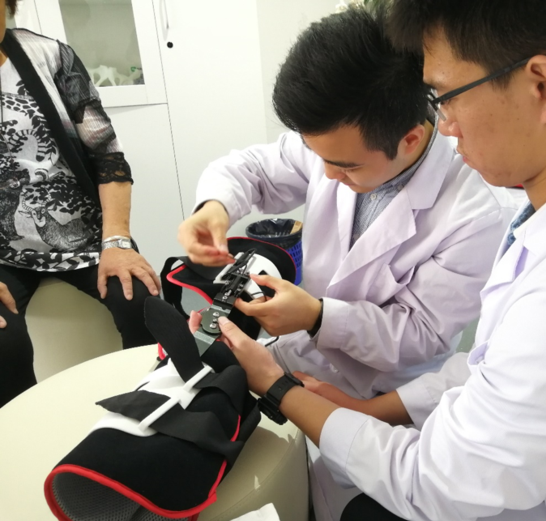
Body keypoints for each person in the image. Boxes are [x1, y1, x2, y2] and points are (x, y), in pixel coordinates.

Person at [190, 0, 546, 521]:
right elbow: (488, 364)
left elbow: (434, 482)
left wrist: (278, 384)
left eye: (445, 96)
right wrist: (216, 207)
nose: (445, 125)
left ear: (541, 87)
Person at [178, 6, 515, 401]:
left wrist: (317, 316)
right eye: (316, 155)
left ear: (409, 140)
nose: (327, 173)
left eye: (346, 166)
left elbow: (420, 335)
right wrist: (215, 207)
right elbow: (252, 168)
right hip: (305, 352)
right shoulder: (339, 141)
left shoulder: (479, 213)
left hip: (385, 388)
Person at [0, 0, 160, 408]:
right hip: (5, 253)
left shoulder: (51, 57)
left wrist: (117, 241)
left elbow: (106, 154)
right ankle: (19, 431)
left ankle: (153, 413)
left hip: (86, 236)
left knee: (144, 306)